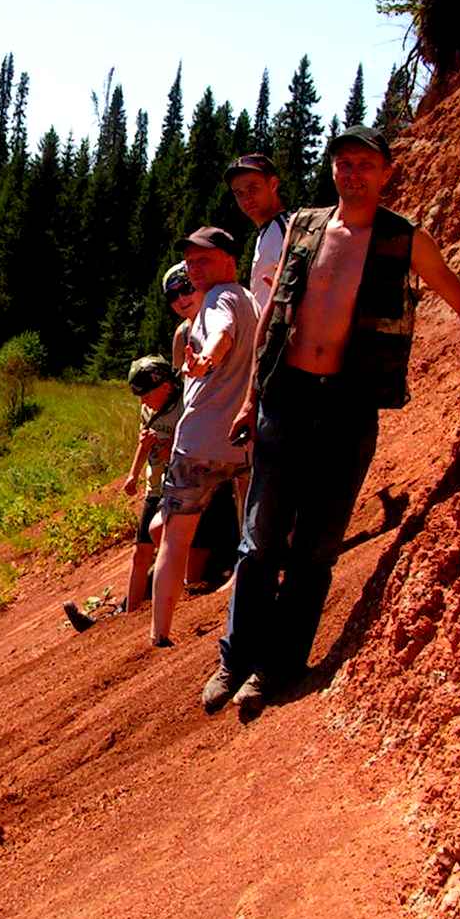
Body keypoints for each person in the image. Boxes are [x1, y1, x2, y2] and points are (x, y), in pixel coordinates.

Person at [201, 125, 460, 717]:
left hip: (348, 405)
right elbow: (273, 321)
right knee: (259, 539)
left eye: (365, 164)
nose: (352, 173)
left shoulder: (404, 239)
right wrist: (249, 399)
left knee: (314, 546)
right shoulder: (306, 228)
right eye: (343, 163)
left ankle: (276, 667)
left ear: (387, 172)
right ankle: (235, 659)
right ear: (332, 171)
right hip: (286, 397)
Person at [150, 226, 256, 649]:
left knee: (174, 539)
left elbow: (220, 331)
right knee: (248, 529)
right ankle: (241, 606)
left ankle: (159, 633)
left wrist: (207, 358)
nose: (194, 270)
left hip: (197, 443)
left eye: (203, 260)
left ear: (229, 259)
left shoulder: (219, 298)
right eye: (190, 262)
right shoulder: (251, 299)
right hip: (243, 440)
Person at [63, 353, 181, 633]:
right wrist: (132, 474)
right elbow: (144, 442)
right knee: (140, 552)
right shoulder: (149, 410)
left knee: (166, 548)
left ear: (164, 385)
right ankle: (127, 615)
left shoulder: (184, 404)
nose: (142, 401)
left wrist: (170, 449)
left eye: (146, 394)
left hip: (179, 485)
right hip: (155, 486)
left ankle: (148, 609)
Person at [225, 153, 289, 314]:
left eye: (253, 188)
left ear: (273, 184)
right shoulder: (268, 231)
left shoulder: (286, 230)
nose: (247, 199)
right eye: (239, 193)